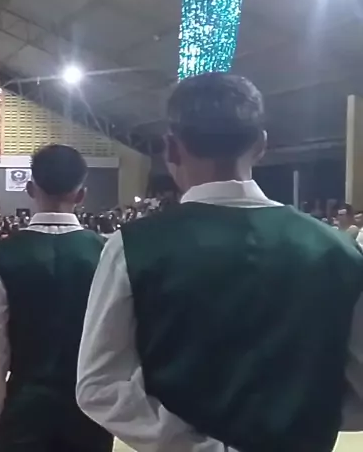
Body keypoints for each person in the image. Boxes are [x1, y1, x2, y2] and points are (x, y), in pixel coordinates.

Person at [76, 73, 363, 451]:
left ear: (171, 148)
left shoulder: (133, 246)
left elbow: (98, 385)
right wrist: (304, 421)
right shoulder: (338, 251)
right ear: (261, 145)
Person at [0, 144, 111, 452]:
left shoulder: (3, 254)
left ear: (30, 189)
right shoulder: (106, 253)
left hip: (24, 403)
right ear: (81, 195)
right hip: (87, 408)